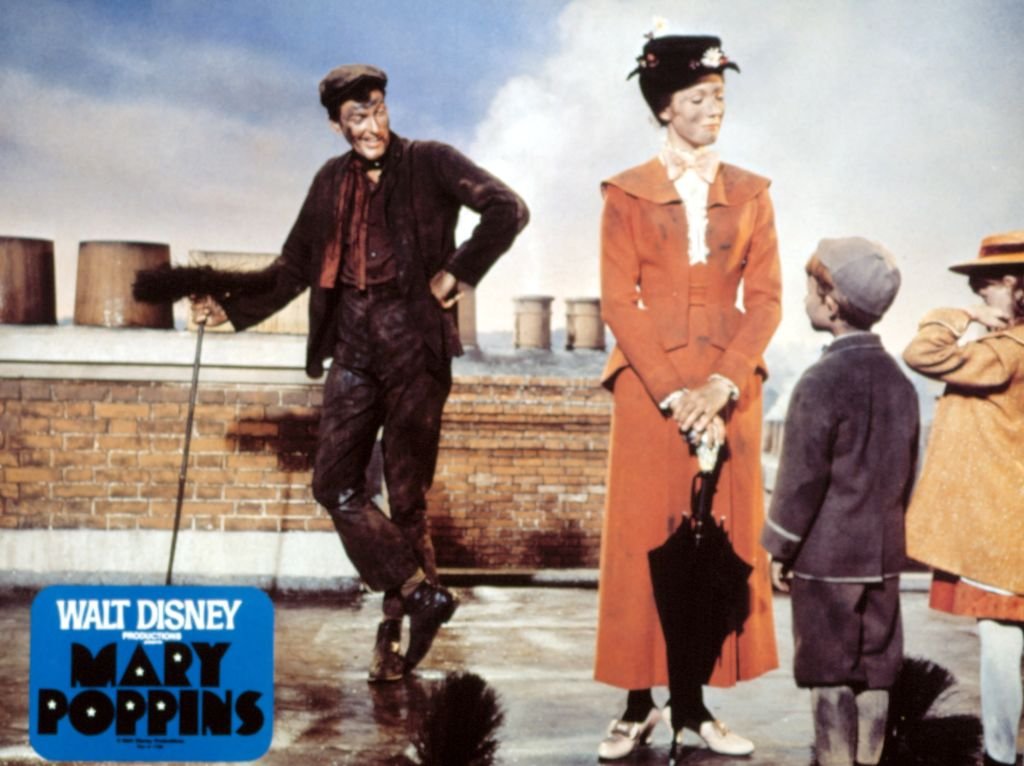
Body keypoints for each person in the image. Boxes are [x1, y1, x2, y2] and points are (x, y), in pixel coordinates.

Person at [190, 64, 528, 682]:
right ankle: (422, 592)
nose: (371, 126)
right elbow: (292, 266)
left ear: (387, 106)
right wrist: (230, 307)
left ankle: (394, 632)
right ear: (335, 125)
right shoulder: (328, 182)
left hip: (414, 352)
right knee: (334, 484)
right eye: (356, 118)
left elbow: (508, 209)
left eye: (377, 110)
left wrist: (457, 272)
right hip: (351, 350)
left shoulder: (430, 161)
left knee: (406, 500)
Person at [594, 33, 781, 760]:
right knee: (648, 538)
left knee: (718, 544)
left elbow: (766, 301)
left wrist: (720, 382)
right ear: (664, 107)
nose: (713, 112)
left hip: (730, 387)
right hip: (649, 392)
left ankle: (693, 707)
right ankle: (638, 703)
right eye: (699, 99)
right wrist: (676, 393)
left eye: (720, 98)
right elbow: (618, 302)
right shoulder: (624, 192)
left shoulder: (755, 194)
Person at [761, 238, 918, 766]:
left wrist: (779, 548)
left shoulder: (820, 380)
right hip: (883, 558)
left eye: (810, 289)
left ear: (830, 303)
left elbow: (801, 481)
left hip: (827, 562)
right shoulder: (899, 382)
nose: (806, 299)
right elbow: (905, 474)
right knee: (876, 668)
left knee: (828, 672)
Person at [902, 231, 1024, 766]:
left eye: (986, 285)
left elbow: (921, 352)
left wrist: (959, 317)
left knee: (1001, 641)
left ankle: (1000, 755)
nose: (977, 292)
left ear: (1016, 287)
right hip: (1011, 518)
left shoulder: (1003, 352)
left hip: (1001, 527)